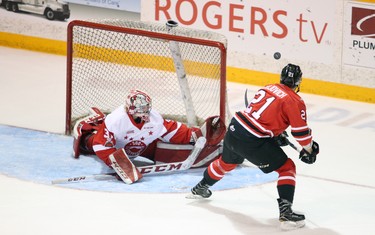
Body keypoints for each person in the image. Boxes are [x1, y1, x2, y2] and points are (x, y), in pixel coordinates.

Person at [188, 64, 320, 230]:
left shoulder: (268, 88)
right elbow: (301, 134)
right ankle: (286, 215)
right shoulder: (295, 101)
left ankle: (200, 187)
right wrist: (309, 150)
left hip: (235, 129)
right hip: (253, 139)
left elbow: (260, 117)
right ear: (299, 82)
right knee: (287, 168)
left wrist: (275, 135)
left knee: (226, 163)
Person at [72, 89, 225, 184]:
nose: (145, 113)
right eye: (141, 109)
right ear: (131, 110)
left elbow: (172, 129)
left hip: (142, 146)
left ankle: (217, 153)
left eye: (147, 109)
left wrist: (195, 135)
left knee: (169, 151)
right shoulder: (116, 120)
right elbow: (102, 145)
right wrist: (119, 164)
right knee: (91, 142)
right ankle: (88, 132)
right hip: (116, 148)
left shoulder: (154, 118)